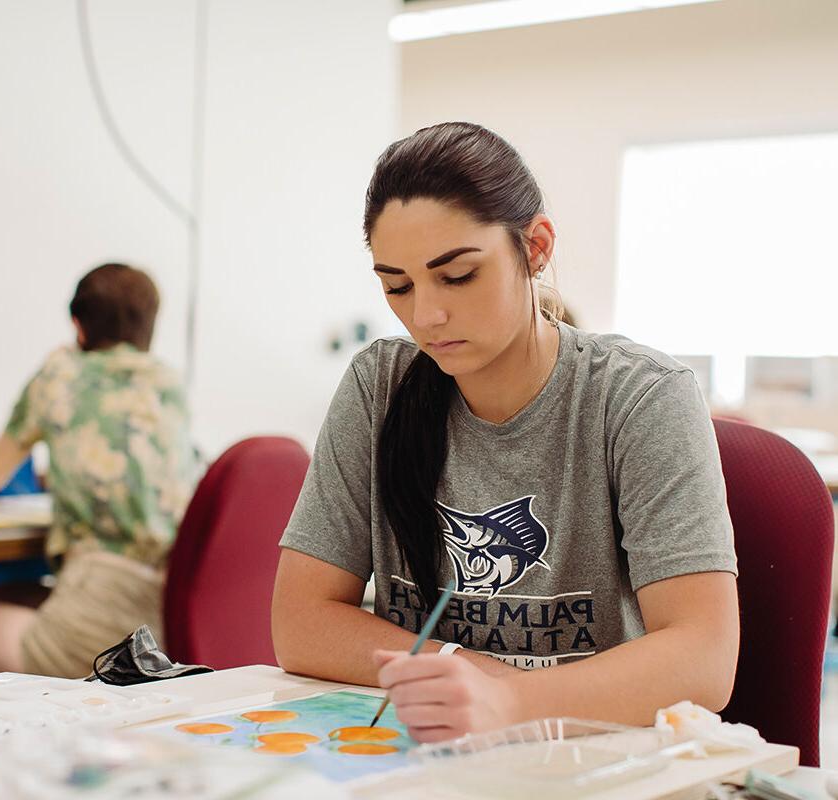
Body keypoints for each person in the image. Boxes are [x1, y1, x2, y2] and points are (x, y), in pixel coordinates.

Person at [272, 122, 739, 743]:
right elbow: (300, 623)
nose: (426, 316)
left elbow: (704, 658)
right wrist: (463, 675)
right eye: (397, 286)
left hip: (583, 759)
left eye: (459, 275)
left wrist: (509, 700)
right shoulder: (379, 387)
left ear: (535, 246)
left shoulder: (639, 397)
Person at [0, 263, 200, 680]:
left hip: (97, 627)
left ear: (79, 326)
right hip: (168, 621)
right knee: (9, 594)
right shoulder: (167, 383)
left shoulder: (59, 375)